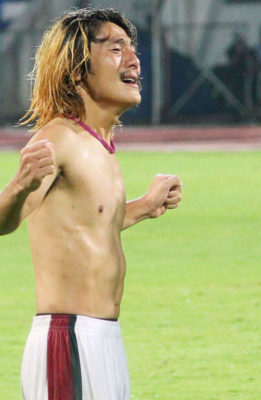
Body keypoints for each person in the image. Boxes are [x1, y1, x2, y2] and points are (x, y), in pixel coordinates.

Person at [13, 8, 182, 399]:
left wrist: (144, 206)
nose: (134, 59)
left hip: (102, 338)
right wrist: (20, 186)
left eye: (132, 47)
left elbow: (85, 222)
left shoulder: (98, 144)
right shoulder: (59, 138)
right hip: (70, 338)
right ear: (77, 68)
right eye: (116, 48)